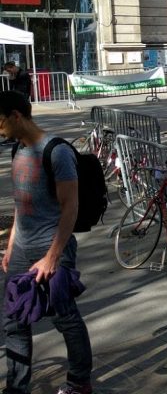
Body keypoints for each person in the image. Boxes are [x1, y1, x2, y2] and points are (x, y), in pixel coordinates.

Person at [0, 91, 94, 394]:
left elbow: (71, 206)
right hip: (22, 249)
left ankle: (79, 382)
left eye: (0, 122)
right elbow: (20, 203)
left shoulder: (56, 151)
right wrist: (12, 243)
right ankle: (16, 387)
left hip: (53, 248)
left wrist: (53, 256)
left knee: (64, 318)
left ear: (16, 116)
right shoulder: (17, 150)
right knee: (13, 320)